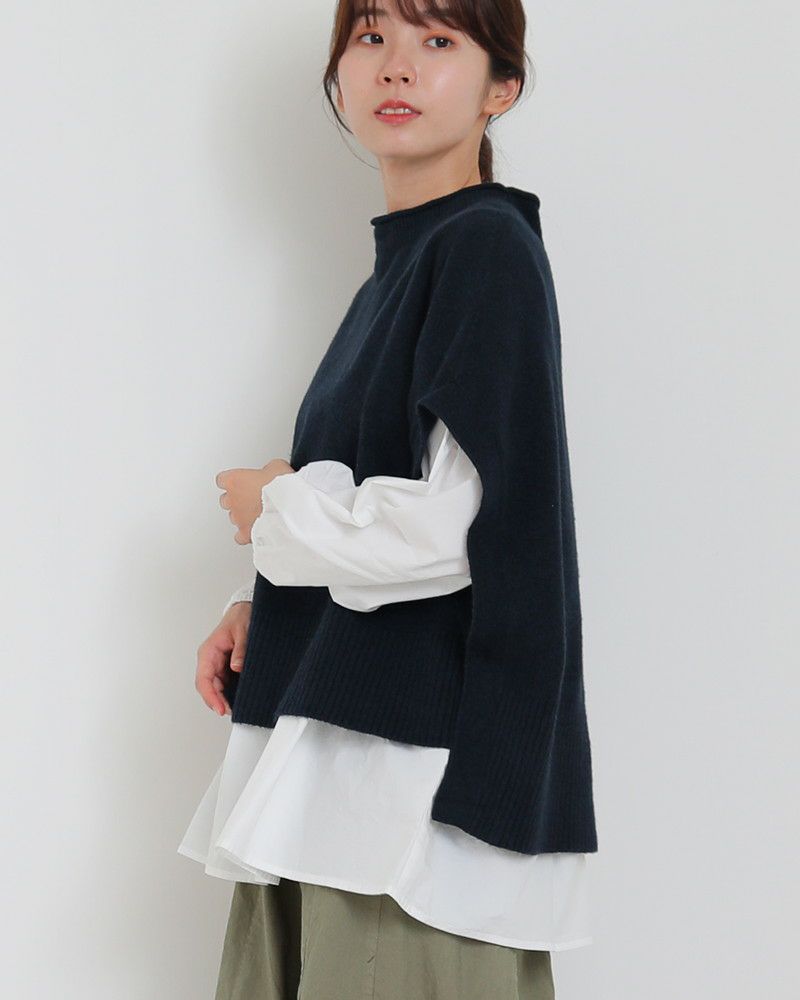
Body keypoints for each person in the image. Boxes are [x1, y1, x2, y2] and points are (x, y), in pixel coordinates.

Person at [178, 1, 599, 997]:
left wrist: (277, 507)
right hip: (346, 771)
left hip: (405, 799)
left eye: (437, 40)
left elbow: (456, 528)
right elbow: (402, 491)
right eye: (370, 37)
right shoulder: (411, 262)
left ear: (502, 87)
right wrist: (271, 601)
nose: (396, 66)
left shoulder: (482, 247)